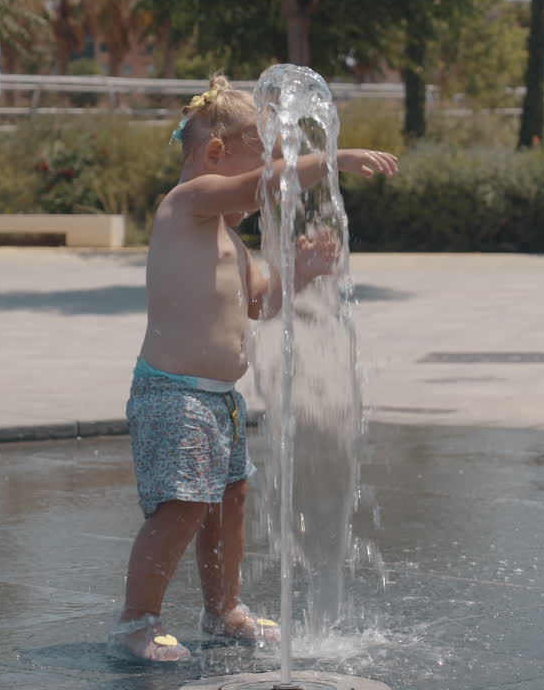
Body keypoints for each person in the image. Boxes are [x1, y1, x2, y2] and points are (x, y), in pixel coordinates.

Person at [113, 75, 399, 662]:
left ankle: (224, 610)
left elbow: (257, 304)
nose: (262, 195)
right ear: (215, 156)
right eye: (258, 170)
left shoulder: (229, 241)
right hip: (173, 394)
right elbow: (260, 182)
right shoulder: (185, 206)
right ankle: (136, 621)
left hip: (218, 398)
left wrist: (300, 270)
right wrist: (331, 159)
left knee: (228, 503)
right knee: (182, 508)